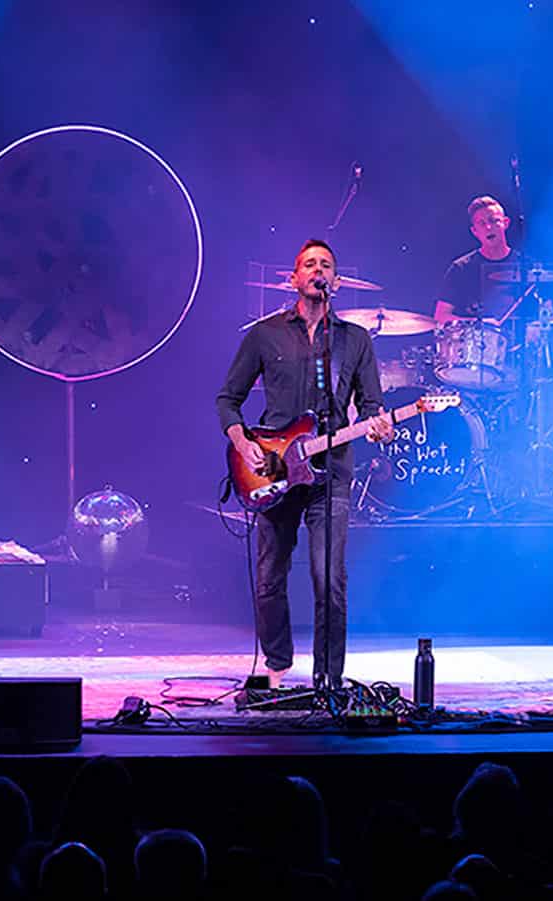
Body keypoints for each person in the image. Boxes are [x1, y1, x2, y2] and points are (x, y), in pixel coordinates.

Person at [217, 239, 392, 689]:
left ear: (336, 280)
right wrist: (244, 442)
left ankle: (328, 678)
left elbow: (372, 403)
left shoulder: (355, 340)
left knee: (329, 576)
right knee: (269, 575)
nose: (319, 270)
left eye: (327, 265)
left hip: (330, 474)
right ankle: (276, 666)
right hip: (273, 470)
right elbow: (228, 400)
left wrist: (378, 424)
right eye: (310, 264)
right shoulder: (264, 334)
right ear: (294, 279)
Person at [434, 196, 534, 327]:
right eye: (481, 223)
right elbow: (441, 316)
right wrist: (480, 324)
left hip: (521, 343)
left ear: (506, 223)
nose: (488, 227)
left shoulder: (527, 266)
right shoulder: (461, 268)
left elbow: (545, 311)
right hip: (476, 344)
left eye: (493, 221)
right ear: (474, 231)